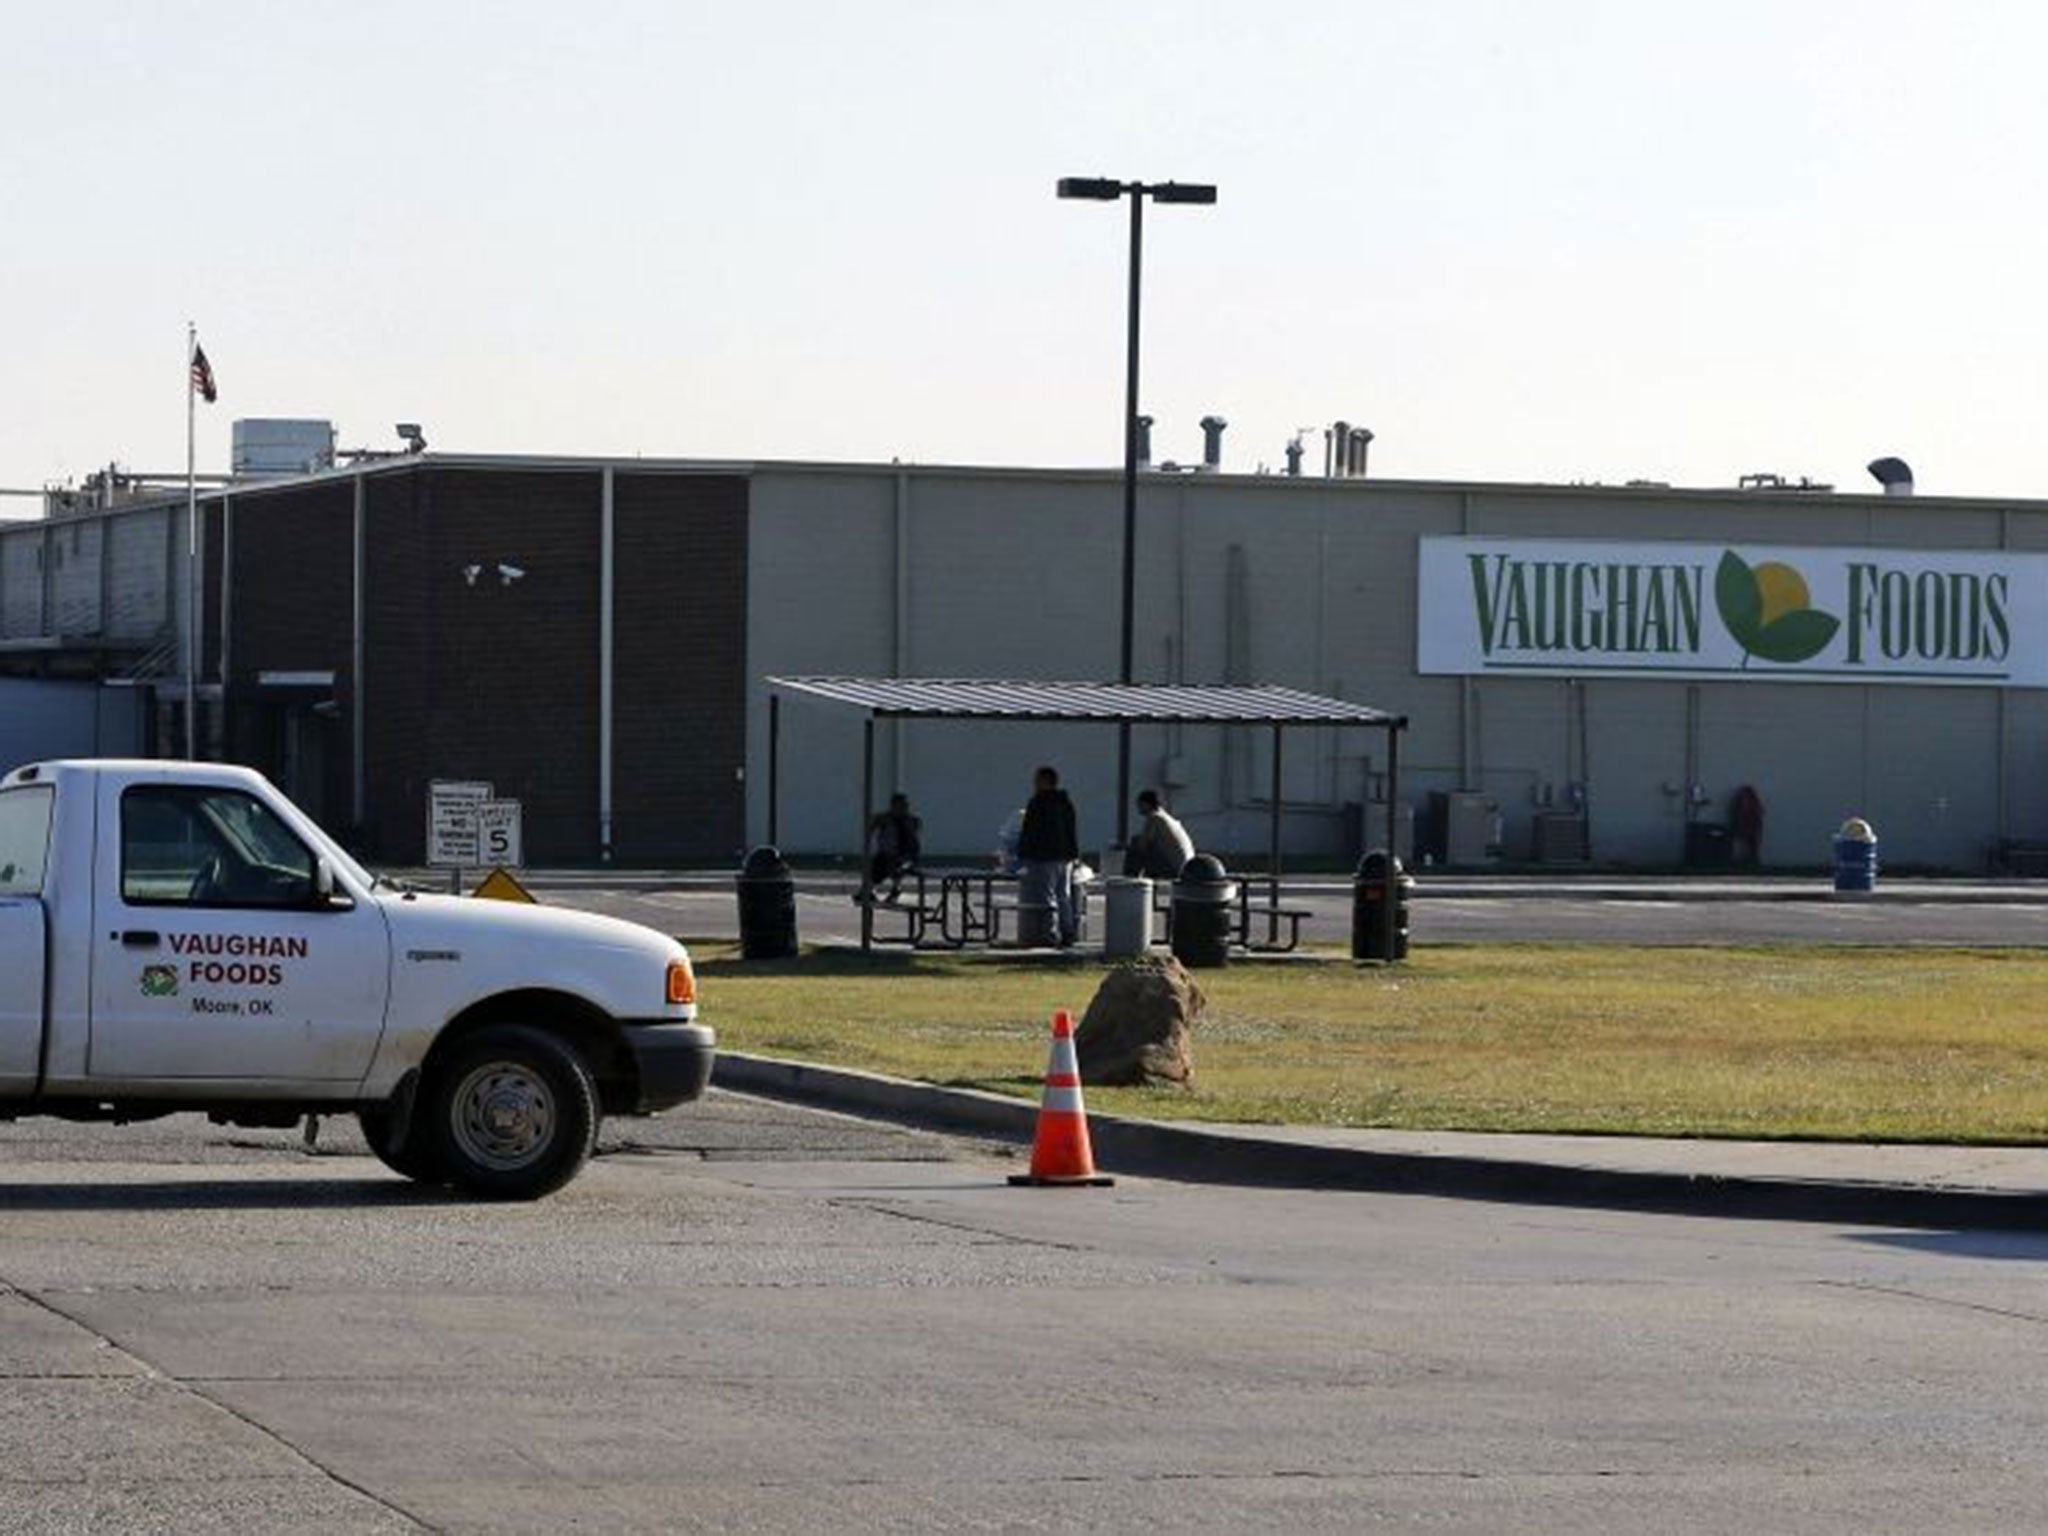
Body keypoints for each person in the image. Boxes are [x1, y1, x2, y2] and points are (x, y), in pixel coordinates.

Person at [1016, 765, 1080, 946]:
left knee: (1047, 896)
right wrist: (1074, 854)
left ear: (1044, 781)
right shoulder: (1065, 802)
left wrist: (1024, 853)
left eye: (1037, 780)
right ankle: (1068, 932)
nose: (1034, 784)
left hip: (1045, 855)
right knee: (1063, 895)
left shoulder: (1038, 803)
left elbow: (1031, 830)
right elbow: (1071, 830)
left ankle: (1049, 933)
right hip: (1065, 855)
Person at [1122, 789, 1195, 880]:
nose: (1138, 808)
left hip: (1174, 869)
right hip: (1186, 868)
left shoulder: (1155, 817)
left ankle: (1128, 880)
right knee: (1147, 846)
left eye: (1140, 805)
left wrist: (1124, 847)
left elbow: (1142, 845)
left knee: (1136, 842)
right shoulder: (1167, 818)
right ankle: (1148, 877)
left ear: (1146, 804)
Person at [866, 792, 921, 900]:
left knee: (896, 866)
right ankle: (869, 890)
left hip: (904, 857)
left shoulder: (911, 821)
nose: (900, 809)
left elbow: (913, 843)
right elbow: (872, 826)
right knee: (876, 866)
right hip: (887, 855)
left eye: (903, 806)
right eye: (896, 806)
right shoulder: (885, 818)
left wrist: (908, 858)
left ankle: (896, 889)